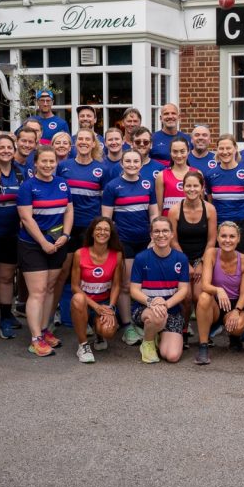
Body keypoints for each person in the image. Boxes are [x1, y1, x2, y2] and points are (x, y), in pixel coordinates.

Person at [16, 146, 74, 357]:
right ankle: (35, 339)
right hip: (33, 245)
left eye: (52, 161)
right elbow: (26, 218)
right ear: (36, 163)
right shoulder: (28, 186)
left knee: (49, 289)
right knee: (38, 291)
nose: (48, 165)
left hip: (57, 243)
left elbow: (69, 210)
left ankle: (43, 329)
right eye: (44, 161)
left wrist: (66, 235)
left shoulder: (62, 183)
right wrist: (43, 243)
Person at [102, 148, 161, 346]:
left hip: (145, 241)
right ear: (122, 164)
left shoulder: (147, 183)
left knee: (145, 283)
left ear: (141, 164)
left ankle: (143, 321)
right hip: (124, 241)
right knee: (126, 284)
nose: (132, 165)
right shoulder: (112, 186)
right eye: (128, 161)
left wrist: (153, 237)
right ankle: (127, 325)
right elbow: (106, 219)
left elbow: (154, 214)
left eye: (136, 161)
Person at [52, 128, 107, 329]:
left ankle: (89, 318)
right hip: (67, 227)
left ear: (93, 144)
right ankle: (54, 313)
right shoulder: (63, 166)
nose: (83, 142)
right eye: (80, 139)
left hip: (90, 229)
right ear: (75, 144)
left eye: (87, 139)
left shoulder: (102, 169)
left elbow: (105, 201)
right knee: (63, 272)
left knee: (88, 274)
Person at [129, 217, 190, 364]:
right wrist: (151, 302)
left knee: (171, 356)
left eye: (165, 231)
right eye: (156, 231)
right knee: (156, 316)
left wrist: (165, 304)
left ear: (172, 234)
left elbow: (183, 290)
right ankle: (148, 343)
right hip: (145, 309)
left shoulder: (181, 259)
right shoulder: (141, 258)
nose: (161, 235)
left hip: (171, 310)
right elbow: (134, 290)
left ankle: (157, 333)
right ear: (151, 235)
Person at [0, 135, 25, 340]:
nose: (6, 151)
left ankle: (5, 319)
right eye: (1, 147)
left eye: (10, 147)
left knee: (6, 278)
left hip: (11, 235)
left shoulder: (20, 174)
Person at [167, 171, 216, 342]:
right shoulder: (174, 210)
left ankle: (205, 333)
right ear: (182, 187)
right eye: (188, 185)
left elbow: (212, 240)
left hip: (202, 258)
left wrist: (202, 263)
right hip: (180, 258)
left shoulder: (209, 209)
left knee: (199, 296)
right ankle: (184, 330)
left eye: (196, 186)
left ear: (202, 188)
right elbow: (173, 241)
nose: (192, 189)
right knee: (186, 297)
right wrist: (185, 263)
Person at [194, 221, 244, 364]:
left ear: (238, 239)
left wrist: (237, 311)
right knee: (204, 297)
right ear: (218, 238)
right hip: (215, 303)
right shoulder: (211, 253)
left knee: (238, 326)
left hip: (235, 303)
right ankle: (203, 346)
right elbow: (205, 285)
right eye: (224, 236)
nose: (227, 240)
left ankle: (234, 337)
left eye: (232, 236)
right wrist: (218, 290)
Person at [70, 217, 124, 362]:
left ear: (111, 234)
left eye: (106, 230)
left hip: (104, 303)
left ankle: (99, 334)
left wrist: (110, 308)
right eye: (98, 229)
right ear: (92, 233)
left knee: (108, 331)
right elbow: (75, 286)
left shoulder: (117, 255)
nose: (102, 232)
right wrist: (95, 307)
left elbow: (116, 285)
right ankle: (83, 345)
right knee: (78, 298)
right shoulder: (79, 254)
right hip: (85, 303)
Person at [204, 133, 244, 254]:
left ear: (235, 148)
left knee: (243, 260)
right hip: (219, 224)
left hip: (242, 224)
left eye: (228, 148)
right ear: (217, 150)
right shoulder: (210, 175)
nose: (225, 152)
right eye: (221, 148)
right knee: (219, 260)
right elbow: (210, 202)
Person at [156, 136, 197, 218]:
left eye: (182, 151)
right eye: (175, 151)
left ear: (188, 151)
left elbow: (201, 205)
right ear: (170, 152)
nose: (179, 155)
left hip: (191, 221)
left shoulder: (197, 173)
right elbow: (159, 209)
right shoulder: (161, 175)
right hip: (169, 222)